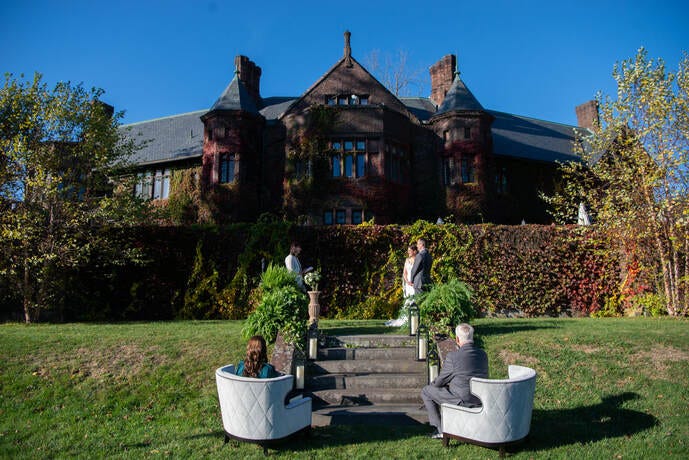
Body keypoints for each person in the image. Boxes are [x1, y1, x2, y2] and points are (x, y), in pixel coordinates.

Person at [421, 323, 489, 439]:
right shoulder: (483, 354)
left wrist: (434, 384)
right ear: (472, 337)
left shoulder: (453, 357)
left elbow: (440, 381)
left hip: (462, 400)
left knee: (426, 391)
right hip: (480, 398)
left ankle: (442, 430)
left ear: (457, 339)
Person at [385, 244, 418, 327]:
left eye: (410, 251)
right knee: (408, 300)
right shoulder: (407, 260)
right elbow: (405, 273)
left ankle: (414, 319)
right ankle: (405, 318)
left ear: (415, 251)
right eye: (408, 251)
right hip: (408, 284)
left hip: (415, 283)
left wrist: (414, 282)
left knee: (415, 301)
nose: (408, 252)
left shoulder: (418, 259)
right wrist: (407, 281)